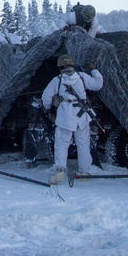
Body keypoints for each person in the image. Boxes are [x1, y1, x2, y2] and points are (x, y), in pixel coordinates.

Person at [41, 54, 104, 184]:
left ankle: (59, 172)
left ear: (60, 66)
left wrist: (49, 106)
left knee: (61, 144)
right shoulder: (81, 76)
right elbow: (98, 84)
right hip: (82, 115)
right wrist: (93, 69)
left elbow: (46, 97)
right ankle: (84, 172)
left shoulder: (57, 80)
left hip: (65, 116)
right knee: (83, 144)